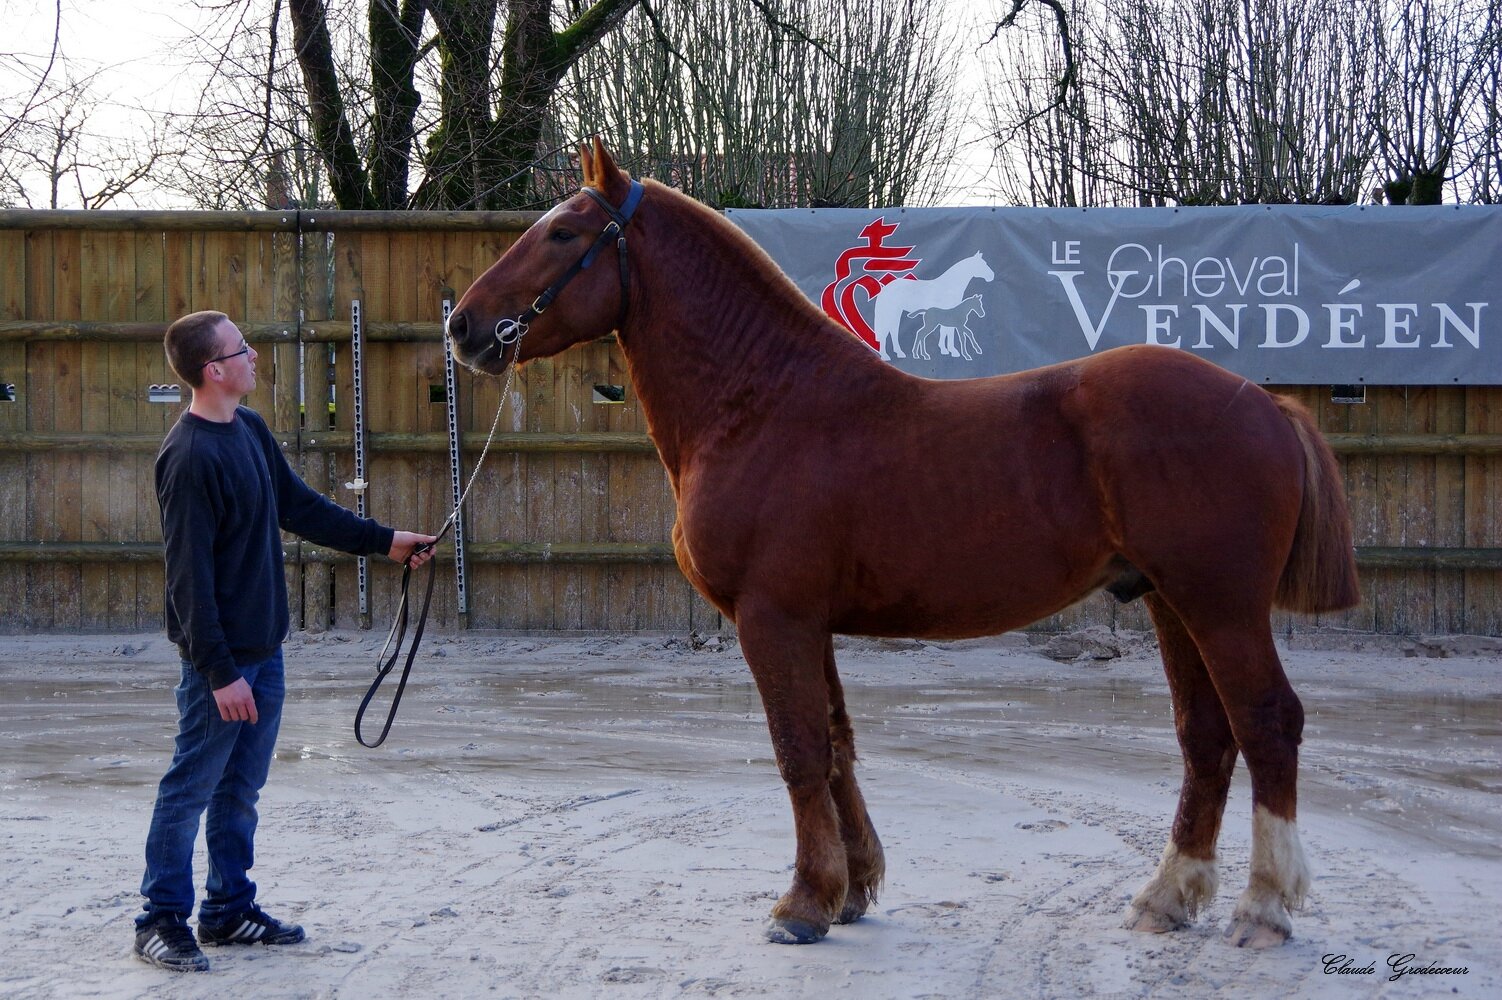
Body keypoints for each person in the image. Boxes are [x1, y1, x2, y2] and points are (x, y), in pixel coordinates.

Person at [133, 310, 437, 972]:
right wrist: (218, 674)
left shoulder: (249, 430)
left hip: (263, 655)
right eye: (242, 349)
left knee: (240, 789)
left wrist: (386, 543)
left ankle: (227, 909)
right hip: (223, 668)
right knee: (190, 787)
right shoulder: (187, 459)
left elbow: (299, 507)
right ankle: (159, 919)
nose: (256, 356)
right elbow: (189, 581)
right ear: (214, 370)